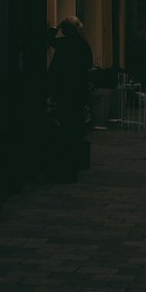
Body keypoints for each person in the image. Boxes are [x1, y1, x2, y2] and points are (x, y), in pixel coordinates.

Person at [47, 16, 93, 179]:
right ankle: (73, 162)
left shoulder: (65, 43)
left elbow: (48, 39)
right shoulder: (82, 44)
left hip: (63, 90)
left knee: (65, 124)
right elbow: (88, 64)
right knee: (74, 125)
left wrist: (56, 26)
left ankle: (66, 164)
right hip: (77, 90)